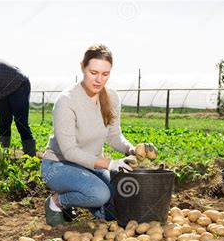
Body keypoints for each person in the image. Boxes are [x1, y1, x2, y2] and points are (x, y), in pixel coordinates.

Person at [41, 44, 157, 226]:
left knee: (120, 196)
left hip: (91, 166)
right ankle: (57, 202)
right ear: (82, 67)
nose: (99, 80)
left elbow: (114, 136)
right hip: (59, 165)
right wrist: (111, 164)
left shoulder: (112, 97)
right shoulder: (66, 100)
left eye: (105, 74)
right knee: (99, 194)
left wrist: (133, 150)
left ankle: (88, 204)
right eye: (93, 72)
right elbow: (70, 152)